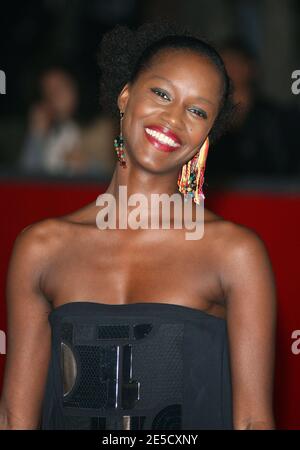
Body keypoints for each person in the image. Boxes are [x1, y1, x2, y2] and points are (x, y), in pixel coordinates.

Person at [0, 20, 277, 430]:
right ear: (125, 96)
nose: (173, 118)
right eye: (161, 93)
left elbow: (253, 420)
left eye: (197, 110)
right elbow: (14, 418)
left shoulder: (234, 253)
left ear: (208, 135)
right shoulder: (41, 248)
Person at [18, 68, 83, 175]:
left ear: (74, 91)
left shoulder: (96, 128)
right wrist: (37, 135)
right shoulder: (40, 131)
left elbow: (109, 172)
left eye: (59, 88)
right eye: (47, 90)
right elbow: (25, 177)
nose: (53, 95)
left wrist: (87, 166)